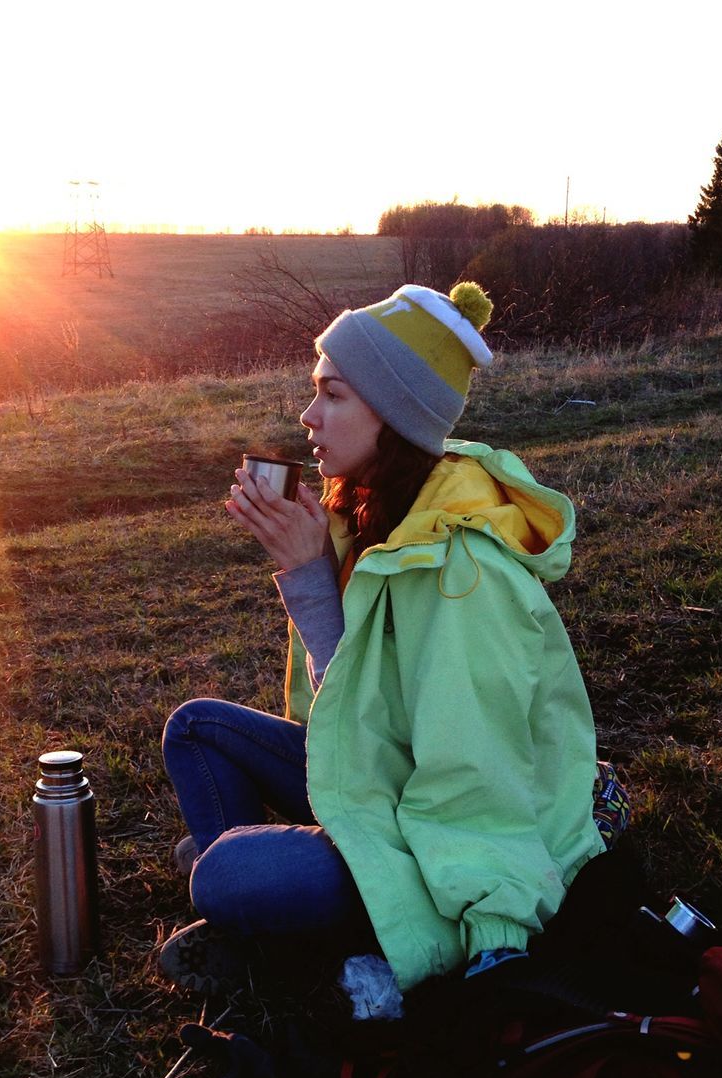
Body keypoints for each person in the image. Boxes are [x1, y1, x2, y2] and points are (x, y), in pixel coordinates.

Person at [159, 281, 616, 1002]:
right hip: (386, 780)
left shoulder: (460, 568)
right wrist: (312, 570)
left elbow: (477, 771)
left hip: (439, 837)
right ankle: (263, 908)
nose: (308, 416)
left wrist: (493, 934)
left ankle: (272, 913)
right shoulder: (374, 515)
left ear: (395, 413)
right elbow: (350, 718)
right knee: (195, 730)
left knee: (220, 873)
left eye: (333, 395)